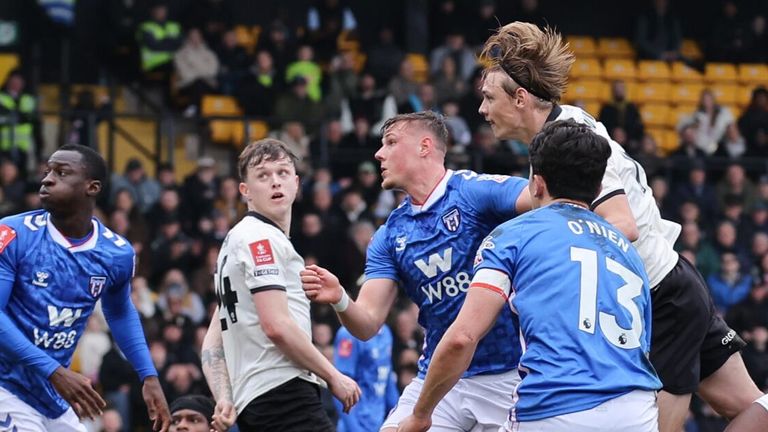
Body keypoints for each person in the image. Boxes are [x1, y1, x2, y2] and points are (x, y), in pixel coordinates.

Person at [475, 21, 762, 432]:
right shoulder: (557, 136)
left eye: (488, 98)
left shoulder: (571, 138)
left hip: (661, 299)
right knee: (750, 408)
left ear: (520, 98)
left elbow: (621, 225)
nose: (482, 110)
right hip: (671, 284)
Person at [399, 119, 661, 432]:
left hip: (557, 407)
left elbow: (462, 338)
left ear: (535, 183)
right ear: (598, 189)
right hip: (638, 411)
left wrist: (420, 414)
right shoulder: (626, 248)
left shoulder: (513, 235)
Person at [301, 111, 531, 431]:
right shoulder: (389, 235)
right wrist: (340, 298)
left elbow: (546, 197)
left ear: (425, 147)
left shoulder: (475, 192)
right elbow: (367, 324)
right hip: (438, 379)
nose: (379, 153)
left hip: (506, 374)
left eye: (391, 142)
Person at [0, 144, 170, 430]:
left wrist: (148, 376)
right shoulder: (14, 234)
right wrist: (55, 372)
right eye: (48, 171)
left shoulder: (117, 253)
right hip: (6, 385)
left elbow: (120, 313)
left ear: (92, 187)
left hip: (51, 395)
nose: (47, 179)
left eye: (62, 173)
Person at [200, 138, 361, 431]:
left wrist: (224, 397)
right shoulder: (261, 239)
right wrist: (333, 376)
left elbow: (212, 341)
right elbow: (276, 325)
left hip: (255, 402)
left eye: (283, 173)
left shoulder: (235, 242)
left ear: (297, 183)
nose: (275, 182)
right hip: (284, 392)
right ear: (245, 191)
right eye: (263, 175)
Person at [334, 324, 399, 432]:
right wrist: (354, 429)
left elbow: (387, 381)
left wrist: (399, 418)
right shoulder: (348, 333)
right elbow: (339, 387)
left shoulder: (386, 333)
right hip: (355, 424)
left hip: (379, 424)